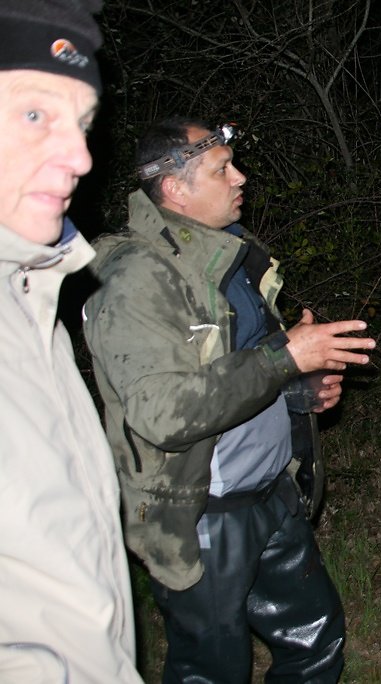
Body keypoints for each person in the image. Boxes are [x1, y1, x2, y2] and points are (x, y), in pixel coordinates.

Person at [83, 116, 376, 682]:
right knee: (214, 669)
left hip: (270, 494)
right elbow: (162, 413)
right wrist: (285, 357)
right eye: (222, 169)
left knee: (317, 637)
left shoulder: (231, 256)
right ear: (175, 189)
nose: (241, 177)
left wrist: (297, 392)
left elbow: (240, 372)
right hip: (202, 514)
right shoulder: (137, 278)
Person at [0, 1, 143, 681]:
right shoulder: (132, 279)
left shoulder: (32, 299)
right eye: (35, 115)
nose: (83, 156)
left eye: (84, 123)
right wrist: (280, 363)